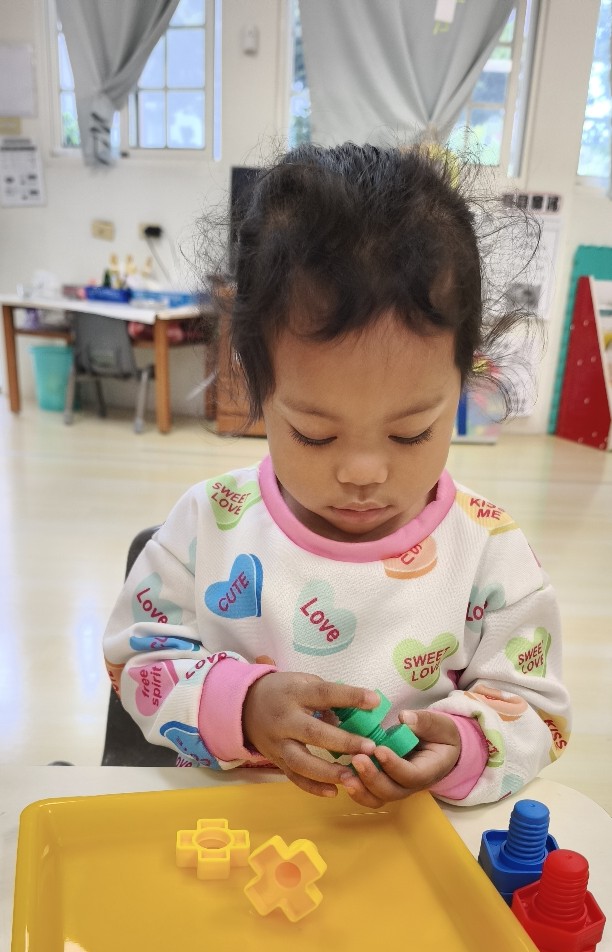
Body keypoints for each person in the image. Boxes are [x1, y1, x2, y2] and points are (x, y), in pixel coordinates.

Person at [103, 143, 570, 809]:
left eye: (411, 432)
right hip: (230, 828)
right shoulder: (211, 525)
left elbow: (538, 711)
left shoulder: (490, 552)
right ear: (257, 384)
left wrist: (466, 745)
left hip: (402, 841)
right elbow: (136, 661)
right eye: (315, 434)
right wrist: (242, 705)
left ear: (463, 381)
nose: (362, 472)